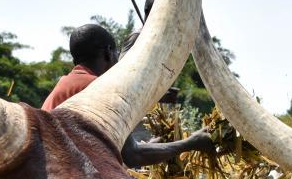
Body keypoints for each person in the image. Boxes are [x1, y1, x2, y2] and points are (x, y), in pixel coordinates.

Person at [42, 22, 213, 167]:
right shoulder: (99, 88)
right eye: (116, 53)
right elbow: (132, 156)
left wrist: (153, 146)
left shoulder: (65, 84)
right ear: (108, 52)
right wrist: (191, 143)